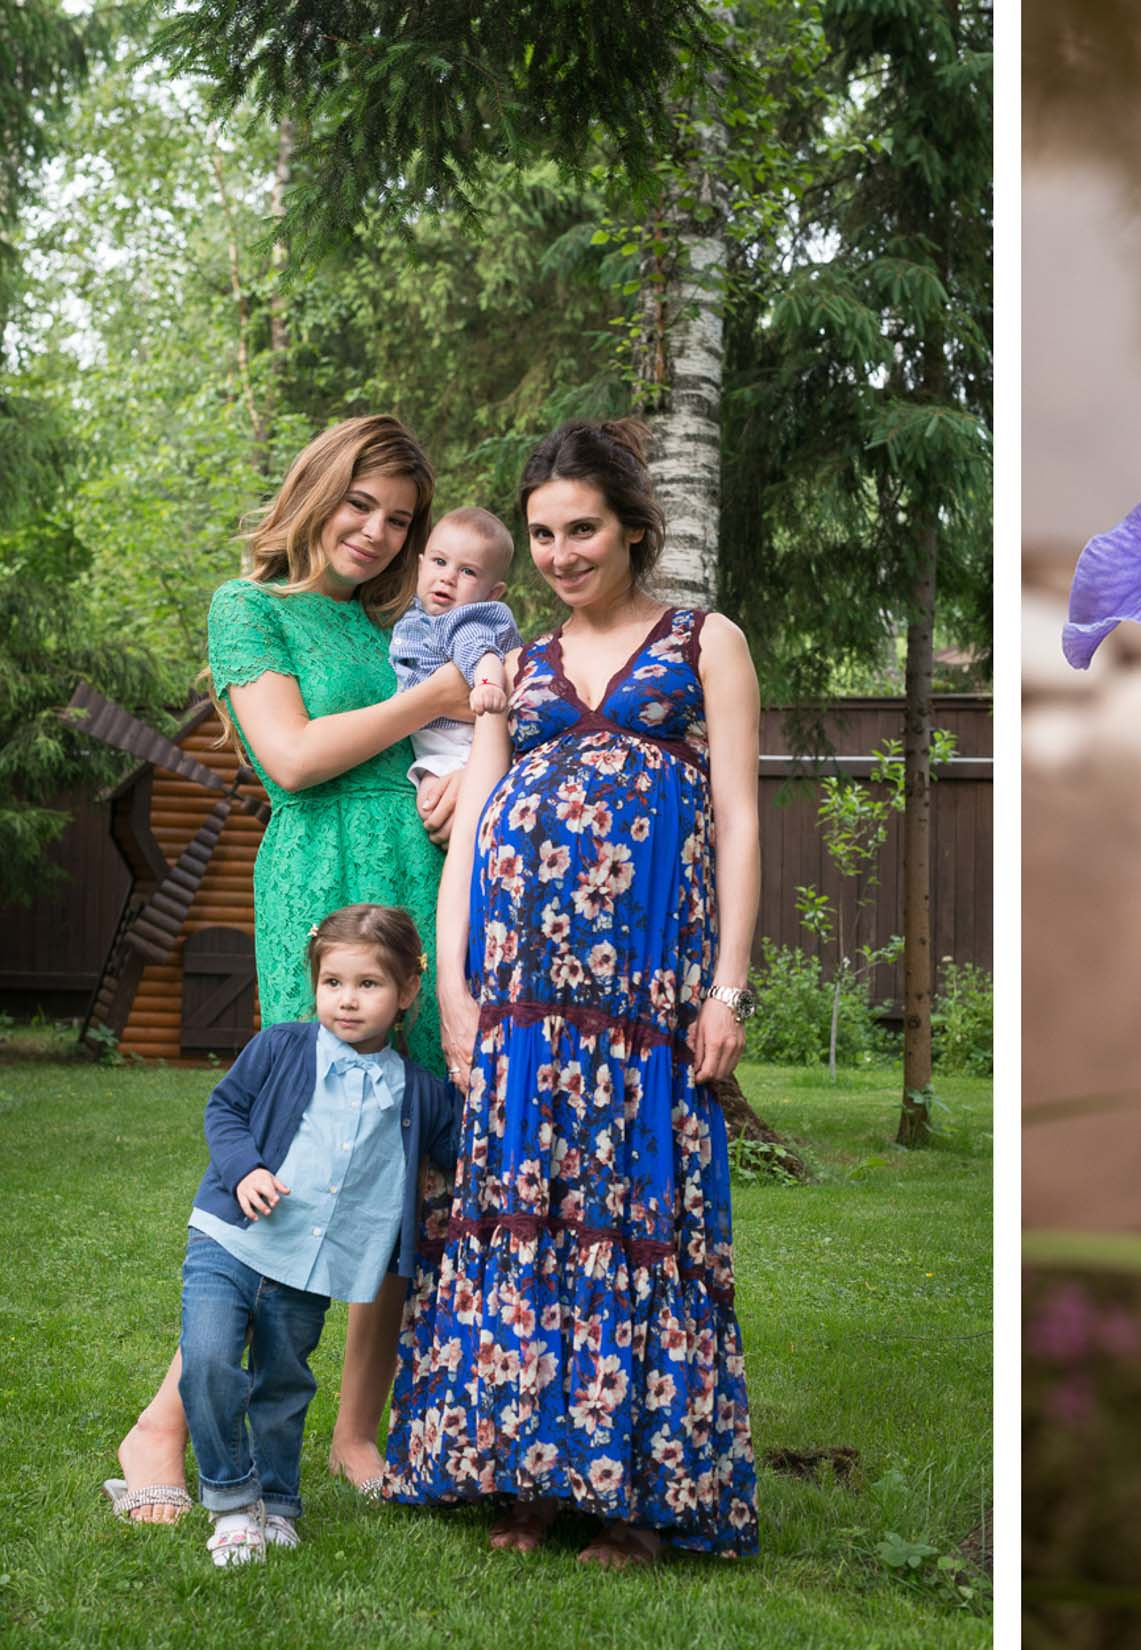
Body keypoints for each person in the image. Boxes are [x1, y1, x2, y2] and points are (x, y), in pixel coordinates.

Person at [385, 419, 763, 1566]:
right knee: (521, 1211)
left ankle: (635, 1502)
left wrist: (727, 989)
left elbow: (741, 821)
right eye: (542, 534)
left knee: (634, 1214)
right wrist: (452, 987)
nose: (558, 553)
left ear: (633, 526)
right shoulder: (516, 668)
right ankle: (527, 1479)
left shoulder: (705, 642)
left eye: (581, 528)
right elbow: (472, 837)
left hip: (646, 1000)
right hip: (522, 996)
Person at [109, 416, 472, 1525]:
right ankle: (164, 1423)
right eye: (360, 504)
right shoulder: (247, 608)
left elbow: (453, 744)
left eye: (399, 518)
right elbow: (294, 756)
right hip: (319, 884)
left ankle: (359, 1433)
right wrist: (436, 699)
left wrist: (461, 778)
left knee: (408, 1149)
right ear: (316, 491)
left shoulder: (401, 627)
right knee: (308, 1150)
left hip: (420, 876)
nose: (375, 531)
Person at [171, 905, 459, 1565]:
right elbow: (226, 1108)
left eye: (368, 985)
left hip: (313, 1265)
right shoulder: (281, 1047)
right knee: (211, 1360)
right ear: (316, 983)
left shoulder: (420, 1093)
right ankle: (232, 1499)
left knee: (282, 1382)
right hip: (232, 1239)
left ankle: (277, 1502)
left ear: (407, 991)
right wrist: (245, 1169)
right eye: (333, 983)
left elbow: (468, 1150)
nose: (348, 1001)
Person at [390, 505, 524, 805]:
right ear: (421, 566)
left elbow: (480, 651)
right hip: (439, 744)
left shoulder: (462, 620)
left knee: (433, 802)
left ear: (492, 593)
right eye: (440, 562)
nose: (448, 577)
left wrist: (487, 684)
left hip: (460, 744)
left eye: (468, 571)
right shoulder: (416, 616)